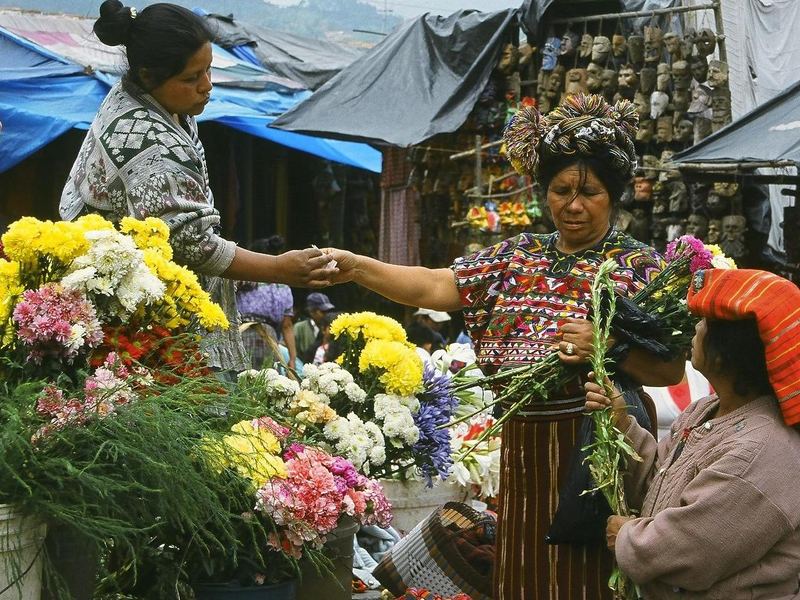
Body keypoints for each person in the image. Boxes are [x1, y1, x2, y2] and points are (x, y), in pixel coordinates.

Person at [326, 93, 683, 599]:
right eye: (560, 190)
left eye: (590, 192)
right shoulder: (517, 255)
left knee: (588, 578)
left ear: (614, 195)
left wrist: (606, 348)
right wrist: (358, 266)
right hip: (523, 453)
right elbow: (433, 285)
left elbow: (670, 368)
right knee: (524, 573)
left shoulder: (641, 267)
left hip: (597, 451)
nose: (573, 205)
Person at [59, 1, 334, 373]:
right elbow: (191, 245)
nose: (206, 87)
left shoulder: (159, 104)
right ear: (148, 75)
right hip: (138, 331)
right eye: (191, 78)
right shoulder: (148, 138)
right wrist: (279, 269)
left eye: (208, 70)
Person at [586, 269, 800, 599]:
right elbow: (659, 479)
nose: (694, 330)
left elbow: (692, 550)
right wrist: (621, 421)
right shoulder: (705, 410)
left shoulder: (761, 449)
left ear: (728, 350)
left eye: (703, 323)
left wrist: (627, 536)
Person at [236, 236, 298, 370]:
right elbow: (287, 325)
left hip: (240, 336)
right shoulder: (283, 287)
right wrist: (292, 358)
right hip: (269, 340)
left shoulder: (243, 279)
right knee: (268, 382)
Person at [293, 292, 335, 364]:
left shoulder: (332, 327)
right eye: (323, 311)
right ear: (311, 312)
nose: (327, 314)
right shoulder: (299, 328)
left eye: (328, 311)